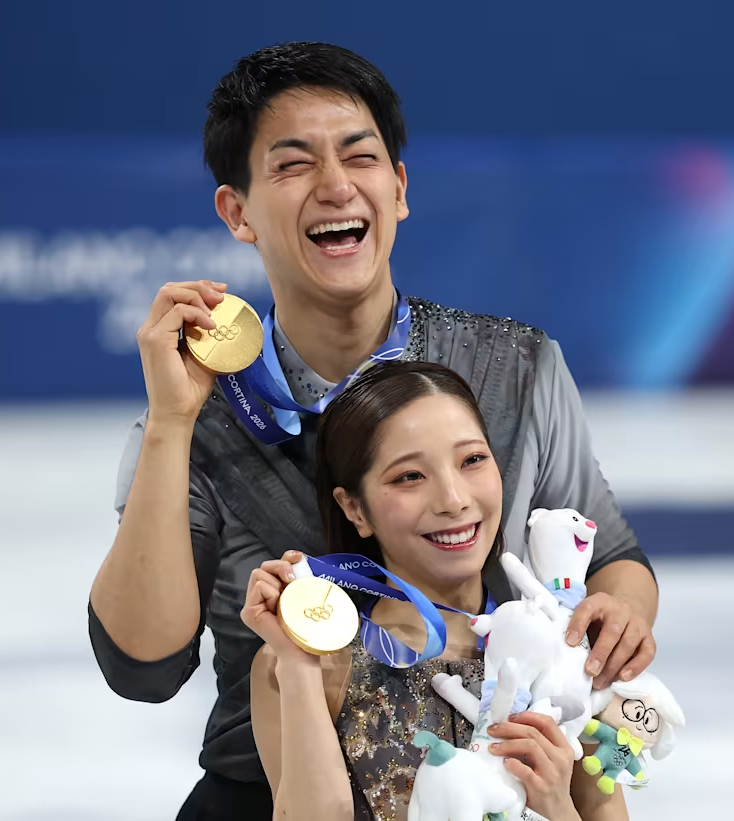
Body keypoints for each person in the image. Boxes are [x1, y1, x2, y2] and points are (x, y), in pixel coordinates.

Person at [87, 41, 660, 819]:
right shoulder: (198, 412)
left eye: (359, 156)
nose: (333, 185)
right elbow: (141, 666)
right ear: (238, 211)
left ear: (397, 187)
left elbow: (614, 562)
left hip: (503, 785)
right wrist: (171, 424)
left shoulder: (515, 367)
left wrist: (621, 614)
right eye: (292, 165)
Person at [244, 360, 627, 821]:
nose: (453, 499)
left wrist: (555, 804)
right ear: (354, 508)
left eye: (472, 460)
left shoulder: (560, 654)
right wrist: (299, 662)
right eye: (409, 476)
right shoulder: (307, 664)